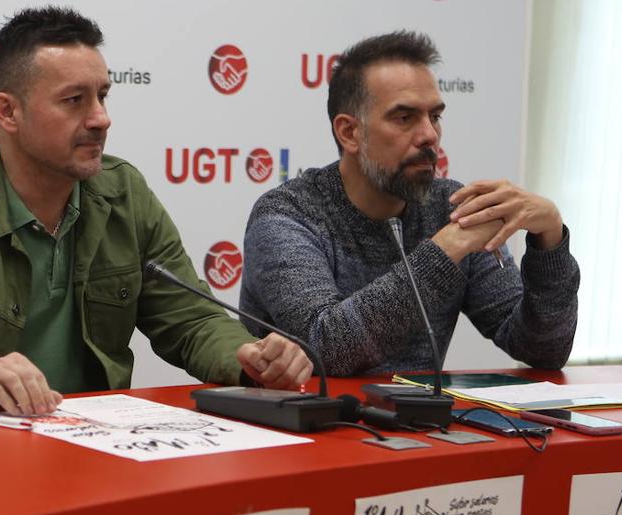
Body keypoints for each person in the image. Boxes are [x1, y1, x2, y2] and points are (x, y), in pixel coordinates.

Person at [0, 6, 311, 415]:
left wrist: (248, 358)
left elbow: (190, 318)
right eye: (74, 100)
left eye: (103, 95)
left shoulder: (124, 192)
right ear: (8, 111)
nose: (101, 118)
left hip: (90, 450)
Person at [241, 30, 579, 376]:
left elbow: (543, 350)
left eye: (435, 116)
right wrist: (446, 248)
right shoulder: (287, 214)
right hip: (310, 426)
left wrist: (549, 241)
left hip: (420, 426)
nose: (429, 135)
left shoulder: (451, 205)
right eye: (405, 118)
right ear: (349, 133)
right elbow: (326, 348)